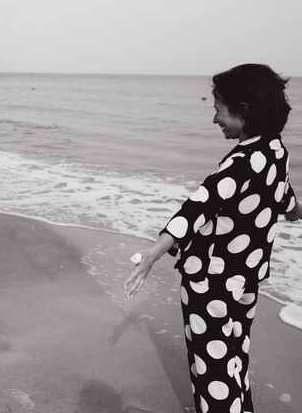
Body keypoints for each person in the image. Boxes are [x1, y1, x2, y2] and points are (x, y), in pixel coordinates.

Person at [124, 64, 302, 413]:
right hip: (246, 278)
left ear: (245, 111)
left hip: (212, 283)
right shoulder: (276, 151)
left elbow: (199, 205)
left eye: (218, 110)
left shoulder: (240, 162)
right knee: (234, 359)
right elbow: (281, 193)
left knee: (212, 373)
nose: (215, 119)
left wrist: (153, 252)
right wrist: (296, 209)